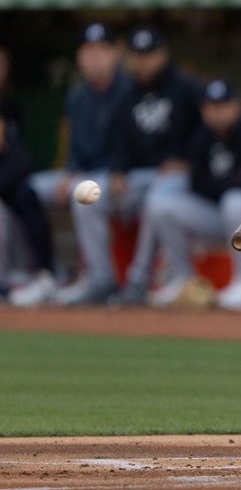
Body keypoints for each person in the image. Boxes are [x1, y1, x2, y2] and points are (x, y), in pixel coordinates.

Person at [71, 26, 201, 305]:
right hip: (136, 177)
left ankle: (138, 281)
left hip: (176, 178)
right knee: (86, 196)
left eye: (150, 54)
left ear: (163, 54)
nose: (144, 61)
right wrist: (117, 170)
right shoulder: (127, 92)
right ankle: (101, 278)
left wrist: (186, 159)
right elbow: (117, 141)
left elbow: (206, 132)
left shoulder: (185, 88)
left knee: (158, 201)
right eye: (138, 55)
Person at [147, 79, 241, 310]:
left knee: (235, 201)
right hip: (224, 216)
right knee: (163, 205)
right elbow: (196, 184)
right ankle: (183, 280)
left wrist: (220, 185)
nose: (218, 113)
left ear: (237, 105)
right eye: (212, 107)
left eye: (223, 105)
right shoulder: (203, 136)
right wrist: (228, 182)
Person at [24, 23, 133, 304]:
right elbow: (75, 146)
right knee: (27, 189)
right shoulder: (78, 96)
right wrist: (70, 172)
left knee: (86, 194)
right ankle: (45, 272)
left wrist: (115, 170)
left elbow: (130, 145)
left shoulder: (129, 91)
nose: (94, 58)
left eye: (101, 50)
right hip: (84, 172)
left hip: (120, 176)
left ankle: (101, 280)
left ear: (115, 54)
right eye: (88, 51)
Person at [0, 104, 57, 306]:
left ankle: (44, 273)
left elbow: (21, 169)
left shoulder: (15, 154)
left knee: (26, 196)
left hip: (15, 224)